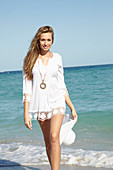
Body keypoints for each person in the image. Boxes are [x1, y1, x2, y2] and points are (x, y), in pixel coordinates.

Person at [23, 26, 78, 170]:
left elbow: (61, 84)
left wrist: (71, 106)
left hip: (57, 102)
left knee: (54, 137)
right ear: (38, 41)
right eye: (43, 40)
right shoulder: (30, 59)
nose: (45, 43)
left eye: (48, 40)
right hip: (40, 104)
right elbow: (27, 88)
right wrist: (26, 113)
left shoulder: (57, 58)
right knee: (48, 142)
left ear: (52, 41)